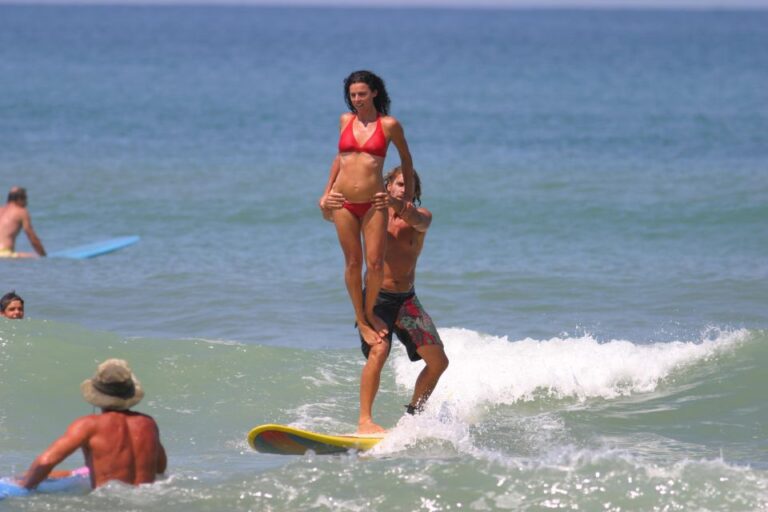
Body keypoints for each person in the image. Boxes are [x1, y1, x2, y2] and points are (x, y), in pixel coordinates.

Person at [322, 167, 448, 435]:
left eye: (410, 187)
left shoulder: (421, 217)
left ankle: (414, 416)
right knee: (379, 351)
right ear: (388, 185)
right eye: (400, 184)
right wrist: (327, 204)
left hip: (407, 299)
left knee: (439, 362)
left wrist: (395, 204)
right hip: (376, 299)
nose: (405, 189)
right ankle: (365, 421)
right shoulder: (371, 215)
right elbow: (333, 216)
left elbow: (418, 219)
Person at [319, 70, 415, 348]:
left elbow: (406, 159)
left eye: (362, 94)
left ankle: (370, 311)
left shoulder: (389, 124)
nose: (357, 99)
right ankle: (361, 319)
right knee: (352, 262)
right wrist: (326, 193)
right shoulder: (345, 120)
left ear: (374, 92)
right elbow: (340, 158)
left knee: (374, 264)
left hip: (374, 202)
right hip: (343, 202)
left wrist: (406, 198)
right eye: (352, 95)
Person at [19, 359, 167, 490]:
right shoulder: (148, 423)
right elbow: (160, 468)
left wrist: (25, 487)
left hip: (108, 502)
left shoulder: (88, 424)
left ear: (97, 393)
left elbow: (47, 460)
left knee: (25, 477)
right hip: (144, 498)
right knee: (67, 474)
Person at [0, 186, 46, 258]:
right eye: (25, 198)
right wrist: (43, 255)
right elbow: (32, 236)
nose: (27, 202)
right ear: (19, 199)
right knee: (35, 257)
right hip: (4, 253)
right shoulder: (21, 211)